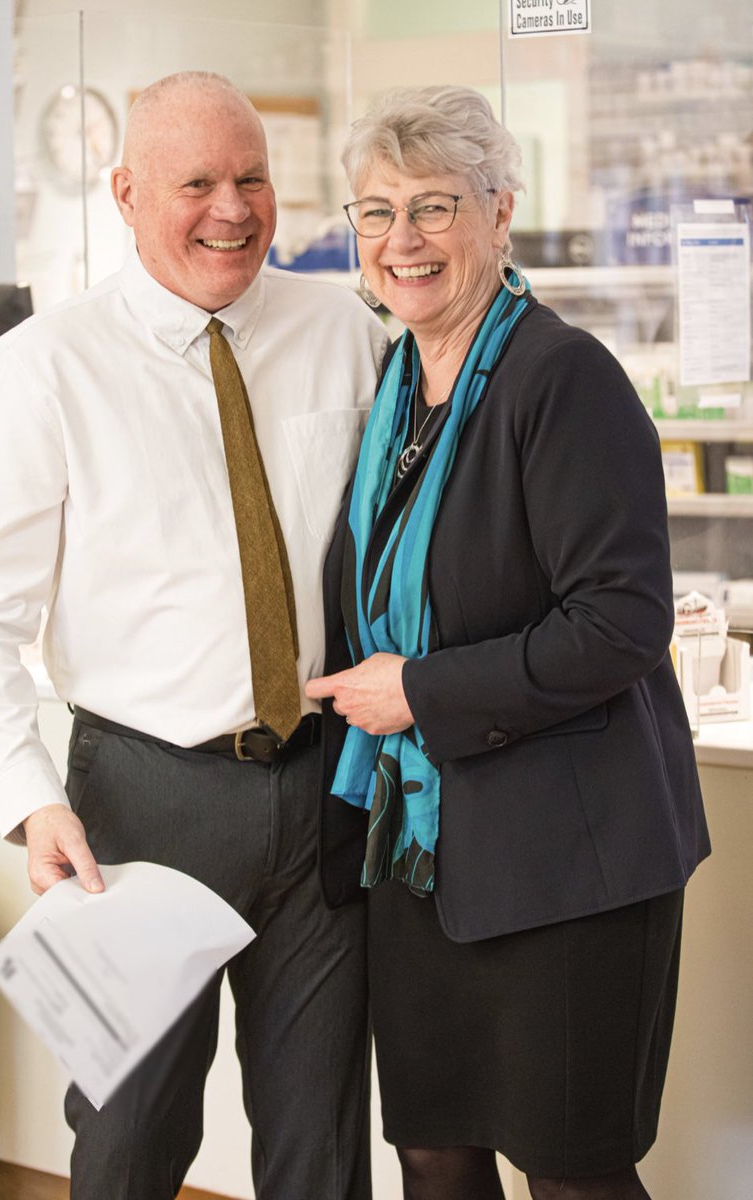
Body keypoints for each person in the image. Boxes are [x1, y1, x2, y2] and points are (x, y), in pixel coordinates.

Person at [0, 71, 388, 1200]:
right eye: (196, 183)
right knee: (130, 1145)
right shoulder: (48, 364)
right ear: (126, 193)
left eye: (252, 179)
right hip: (139, 803)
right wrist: (30, 797)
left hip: (321, 786)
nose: (232, 209)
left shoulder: (343, 329)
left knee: (320, 1151)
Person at [306, 85, 710, 1200]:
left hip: (566, 862)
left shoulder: (559, 377)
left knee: (570, 1172)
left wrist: (420, 693)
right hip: (427, 856)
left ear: (499, 212)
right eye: (377, 212)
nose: (403, 242)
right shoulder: (399, 382)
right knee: (433, 1152)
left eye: (434, 208)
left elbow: (622, 621)